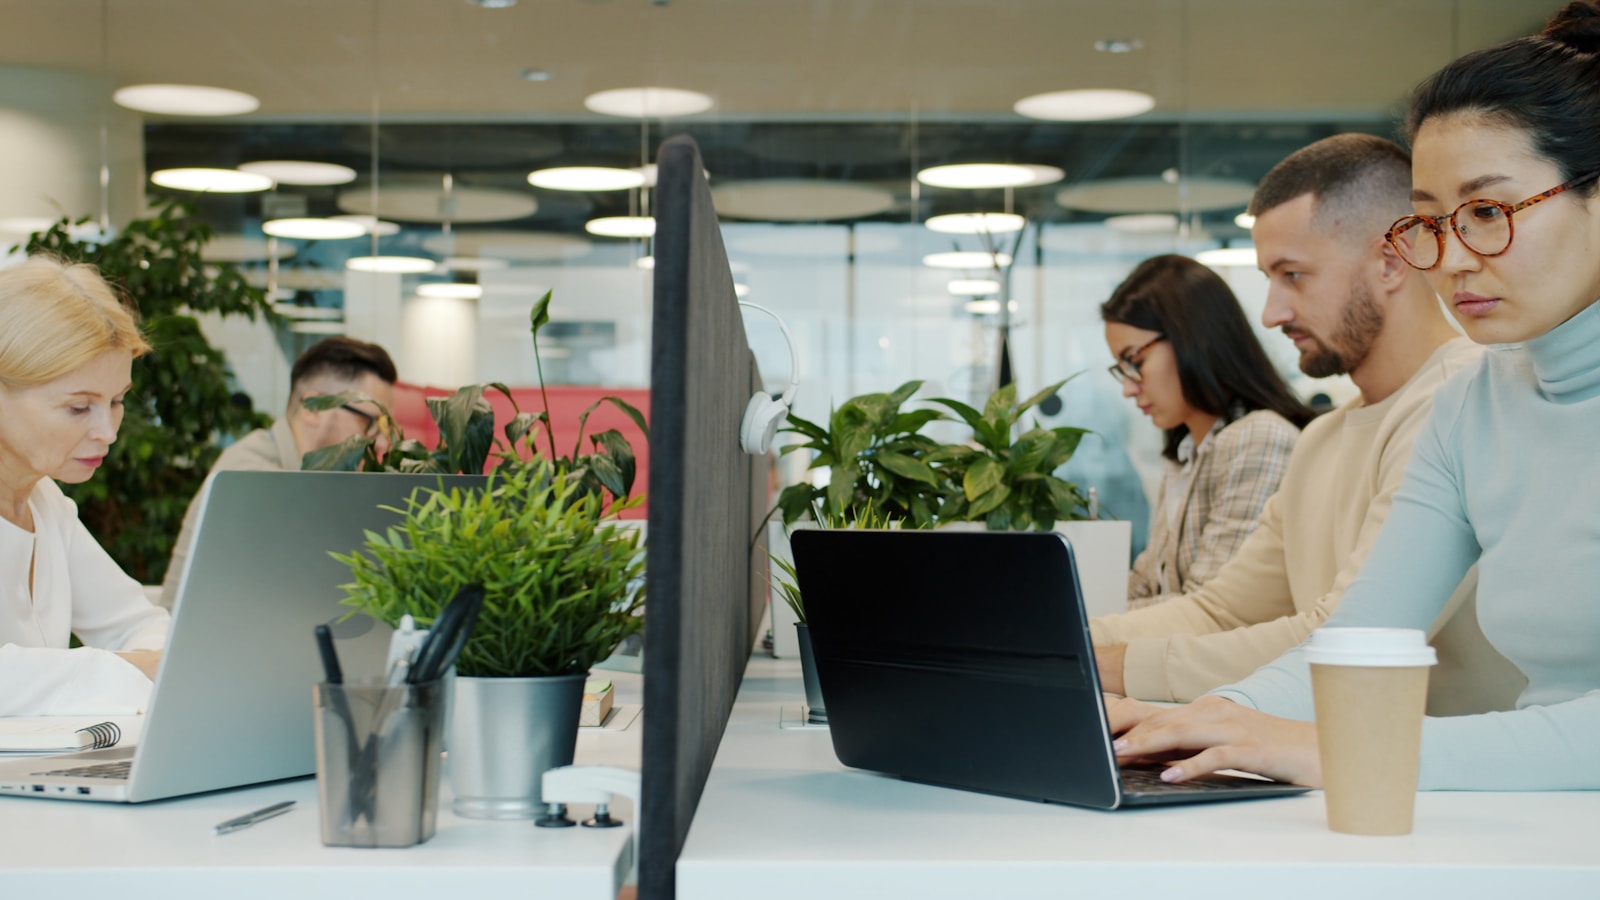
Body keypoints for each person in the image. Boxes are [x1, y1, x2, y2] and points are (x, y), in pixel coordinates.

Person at [1113, 1, 1600, 791]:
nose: (1451, 258)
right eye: (1430, 223)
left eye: (1486, 212)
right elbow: (1356, 640)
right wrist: (1213, 718)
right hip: (1529, 823)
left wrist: (1334, 750)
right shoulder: (1472, 404)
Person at [1089, 133, 1525, 715]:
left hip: (1439, 763)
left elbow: (1342, 633)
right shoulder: (1320, 439)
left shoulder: (1465, 401)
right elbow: (1222, 611)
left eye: (1293, 275)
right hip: (1330, 750)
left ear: (1391, 261)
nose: (1272, 313)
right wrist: (1062, 638)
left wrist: (1102, 665)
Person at [0, 256, 170, 716]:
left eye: (116, 401)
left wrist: (133, 664)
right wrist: (126, 669)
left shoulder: (46, 502)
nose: (108, 432)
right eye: (78, 408)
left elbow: (138, 624)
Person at [1102, 254, 1314, 609]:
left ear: (1190, 338)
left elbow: (1211, 609)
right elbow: (1147, 581)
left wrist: (1084, 623)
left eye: (1134, 361)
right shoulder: (1186, 451)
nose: (1128, 388)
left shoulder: (1258, 438)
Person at [159, 336, 397, 604]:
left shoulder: (310, 479)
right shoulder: (252, 475)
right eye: (371, 423)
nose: (383, 442)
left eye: (387, 427)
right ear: (313, 408)